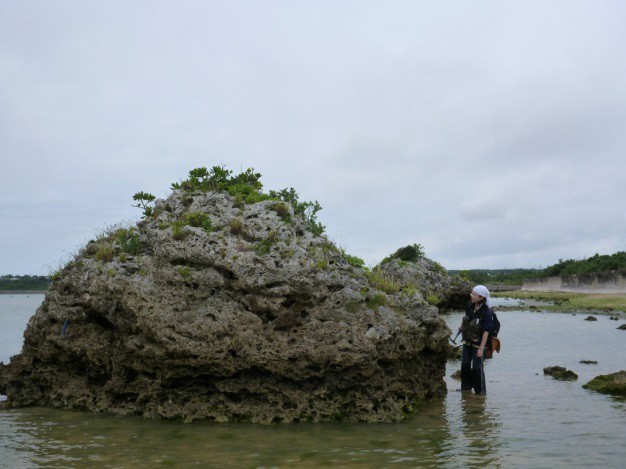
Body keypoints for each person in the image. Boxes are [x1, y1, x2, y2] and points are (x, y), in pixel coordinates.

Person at [457, 285, 495, 395]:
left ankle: (480, 391)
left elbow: (486, 331)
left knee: (477, 368)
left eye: (473, 294)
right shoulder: (469, 305)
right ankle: (466, 388)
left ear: (481, 297)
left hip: (479, 345)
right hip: (467, 341)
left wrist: (481, 349)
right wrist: (461, 326)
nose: (471, 296)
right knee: (464, 365)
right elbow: (467, 318)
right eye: (471, 293)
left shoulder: (487, 313)